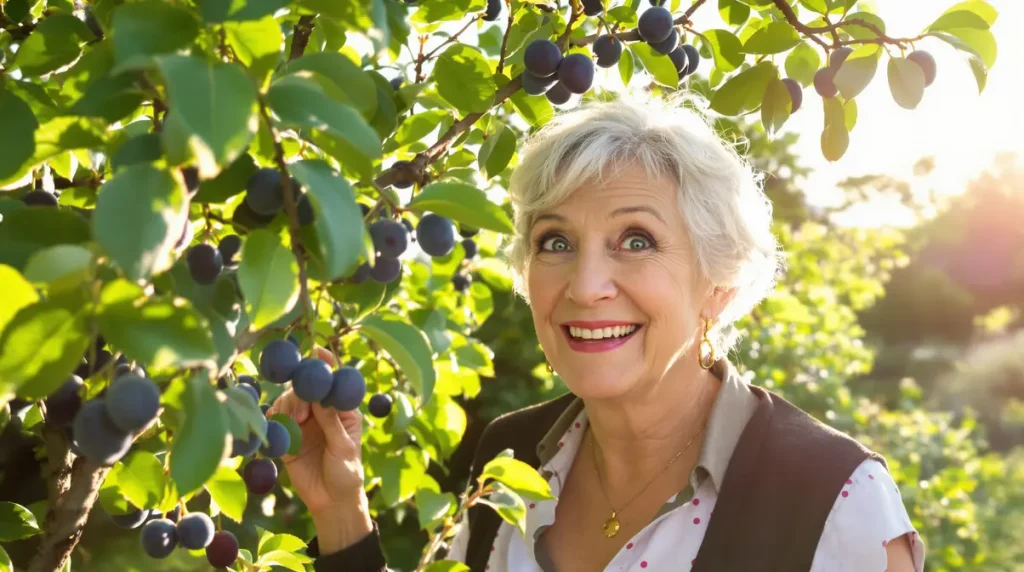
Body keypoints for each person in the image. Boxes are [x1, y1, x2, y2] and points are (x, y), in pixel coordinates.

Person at [267, 93, 924, 571]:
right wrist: (342, 512)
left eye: (635, 240)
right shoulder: (513, 455)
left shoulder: (832, 498)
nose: (585, 286)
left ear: (719, 283)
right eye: (556, 241)